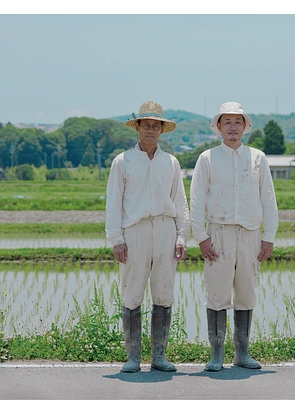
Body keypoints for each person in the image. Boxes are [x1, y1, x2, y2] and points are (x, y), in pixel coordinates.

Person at [189, 102, 279, 372]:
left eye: (237, 122)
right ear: (218, 127)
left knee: (246, 293)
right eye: (227, 122)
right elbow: (197, 199)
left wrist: (269, 237)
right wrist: (201, 237)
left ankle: (242, 353)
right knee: (217, 294)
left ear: (245, 126)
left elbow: (269, 198)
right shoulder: (207, 158)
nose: (232, 127)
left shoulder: (258, 158)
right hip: (218, 233)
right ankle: (217, 354)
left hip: (250, 234)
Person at [105, 100, 190, 373]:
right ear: (138, 127)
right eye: (146, 125)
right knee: (132, 293)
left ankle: (159, 357)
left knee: (164, 292)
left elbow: (180, 202)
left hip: (165, 229)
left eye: (156, 125)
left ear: (162, 129)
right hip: (135, 231)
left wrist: (181, 237)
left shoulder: (171, 162)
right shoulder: (123, 161)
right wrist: (116, 239)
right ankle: (132, 357)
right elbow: (113, 202)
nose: (151, 129)